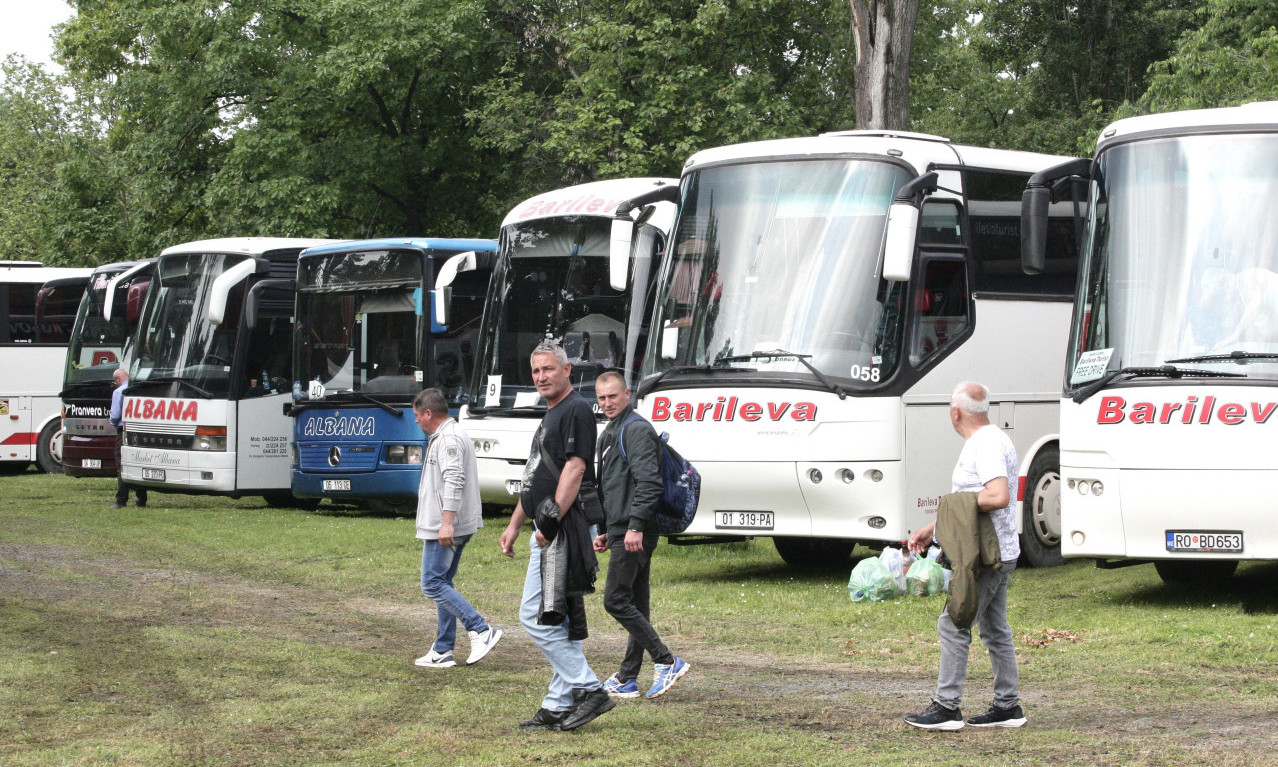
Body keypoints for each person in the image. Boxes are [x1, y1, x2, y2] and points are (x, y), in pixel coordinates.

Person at [499, 343, 614, 731]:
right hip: (546, 526)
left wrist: (548, 526)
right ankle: (557, 704)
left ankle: (589, 689)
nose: (541, 377)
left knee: (535, 618)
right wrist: (516, 524)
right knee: (558, 622)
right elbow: (536, 475)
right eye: (535, 371)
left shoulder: (577, 410)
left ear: (566, 369)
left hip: (560, 530)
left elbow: (575, 469)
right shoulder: (550, 414)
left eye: (548, 369)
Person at [903, 381, 1026, 731]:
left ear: (955, 412)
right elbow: (970, 500)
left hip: (985, 555)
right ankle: (1007, 706)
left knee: (954, 622)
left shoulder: (984, 445)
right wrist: (935, 526)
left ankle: (947, 707)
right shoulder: (994, 438)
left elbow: (997, 495)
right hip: (999, 550)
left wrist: (953, 507)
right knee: (994, 627)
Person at [592, 371, 690, 700]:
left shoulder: (636, 429)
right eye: (602, 397)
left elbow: (650, 483)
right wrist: (606, 530)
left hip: (636, 531)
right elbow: (612, 485)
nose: (607, 403)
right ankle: (626, 678)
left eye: (613, 396)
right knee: (636, 604)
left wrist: (634, 526)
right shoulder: (611, 431)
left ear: (627, 394)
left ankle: (667, 661)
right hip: (622, 529)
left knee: (615, 600)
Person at [411, 388, 502, 669]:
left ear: (428, 413)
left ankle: (481, 629)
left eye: (417, 415)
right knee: (443, 582)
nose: (416, 421)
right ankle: (442, 649)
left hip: (447, 524)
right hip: (453, 522)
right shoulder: (451, 433)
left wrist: (446, 523)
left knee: (432, 583)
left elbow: (454, 478)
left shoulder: (449, 437)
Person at [108, 368, 147, 509]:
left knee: (122, 465)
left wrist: (112, 422)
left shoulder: (119, 392)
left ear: (118, 379)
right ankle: (141, 499)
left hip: (123, 431)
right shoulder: (137, 389)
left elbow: (115, 415)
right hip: (138, 430)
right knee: (137, 461)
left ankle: (121, 500)